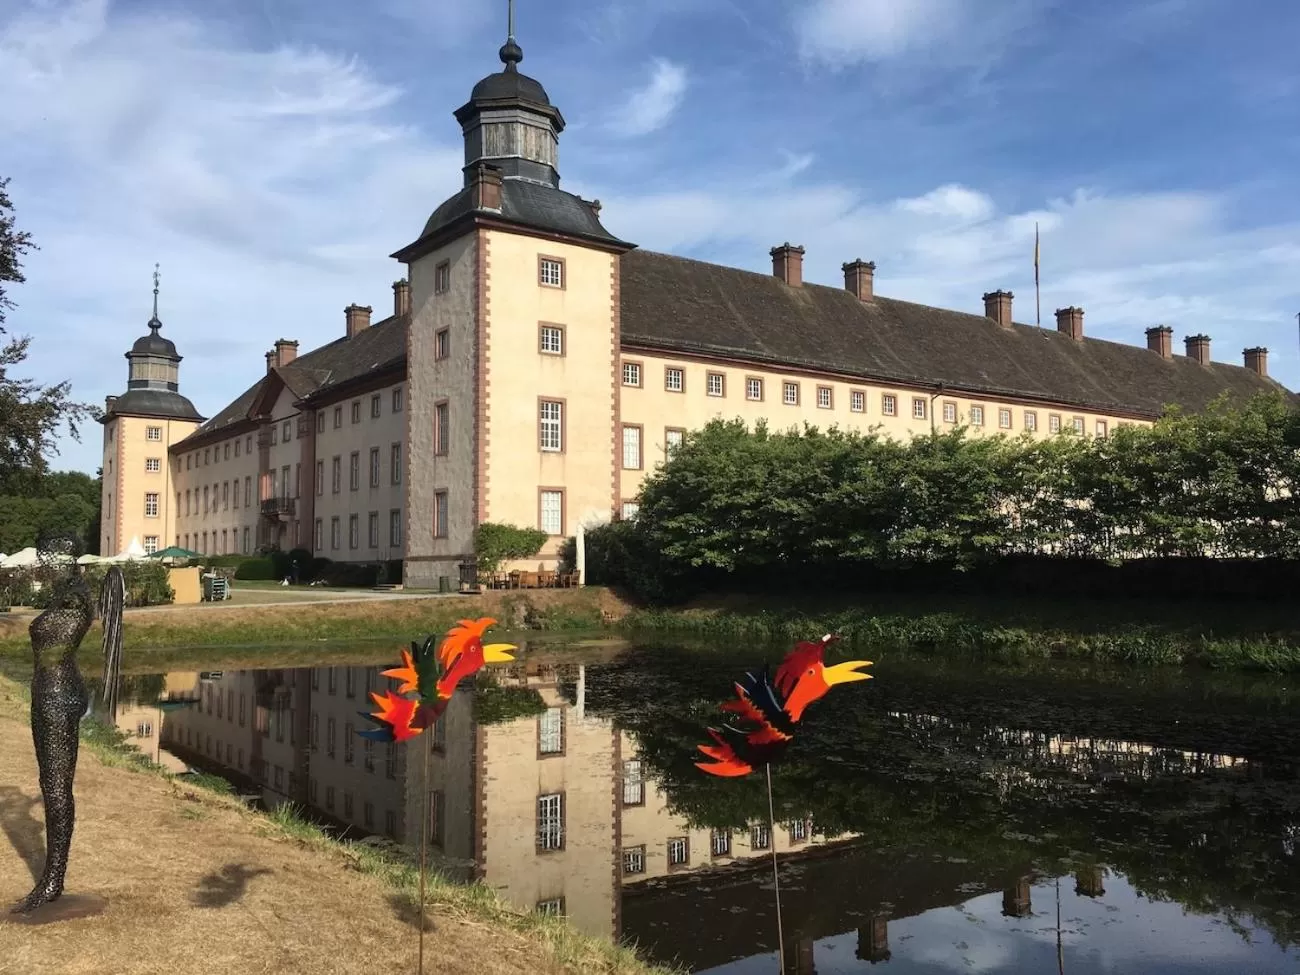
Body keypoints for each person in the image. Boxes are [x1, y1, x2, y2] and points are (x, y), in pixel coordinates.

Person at [11, 532, 124, 914]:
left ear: (64, 558)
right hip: (51, 691)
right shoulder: (67, 593)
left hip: (58, 694)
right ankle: (53, 876)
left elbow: (56, 644)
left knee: (57, 788)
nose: (43, 564)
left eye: (48, 558)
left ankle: (53, 879)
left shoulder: (75, 597)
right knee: (51, 784)